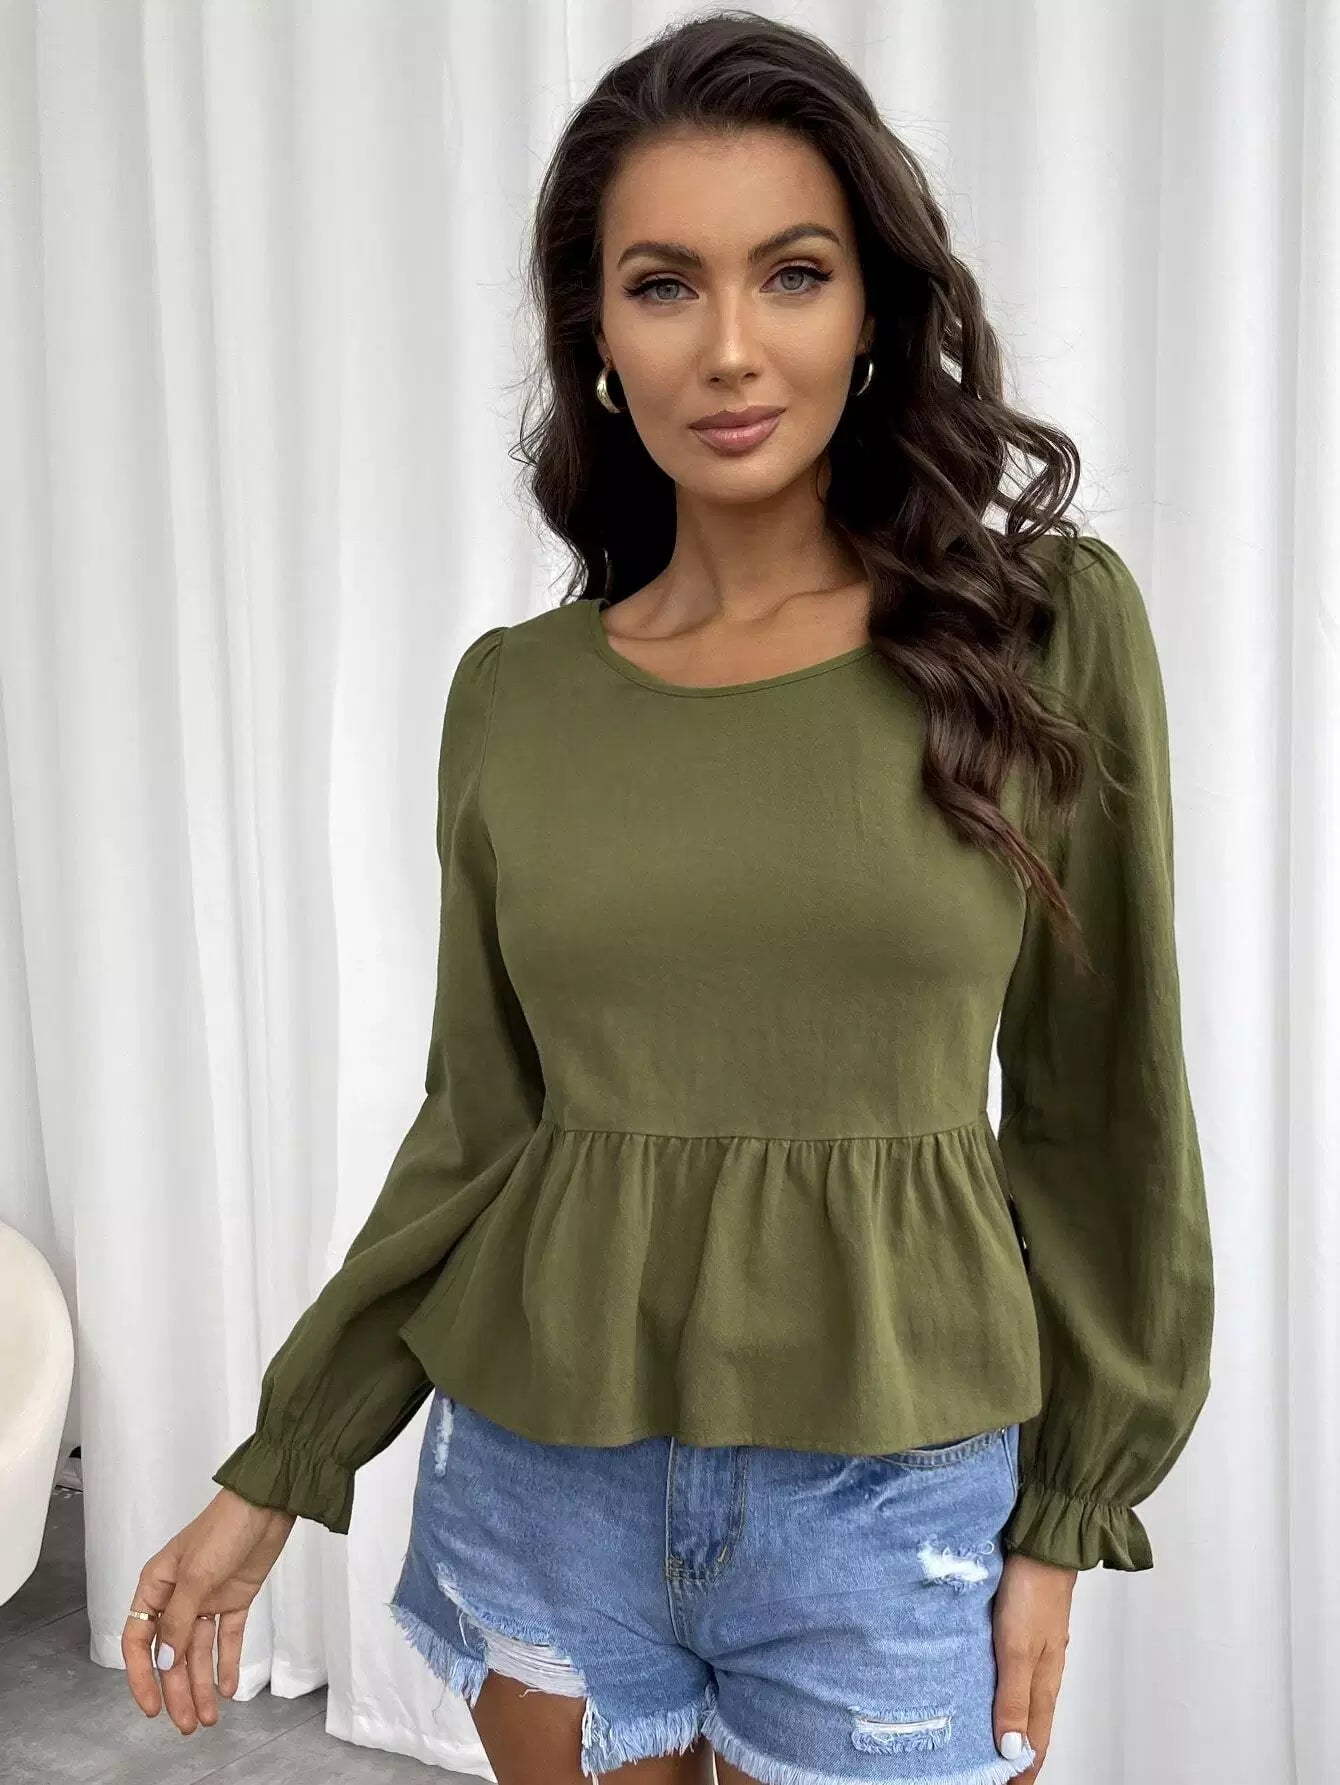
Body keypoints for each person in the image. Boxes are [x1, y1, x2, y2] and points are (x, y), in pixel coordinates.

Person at [122, 12, 1215, 1784]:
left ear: (873, 310)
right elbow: (481, 1127)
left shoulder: (1040, 635)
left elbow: (1109, 1111)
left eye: (792, 273)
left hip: (888, 1507)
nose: (728, 347)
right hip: (542, 1478)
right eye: (661, 285)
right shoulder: (516, 697)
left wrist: (1067, 1511)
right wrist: (285, 1461)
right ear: (595, 337)